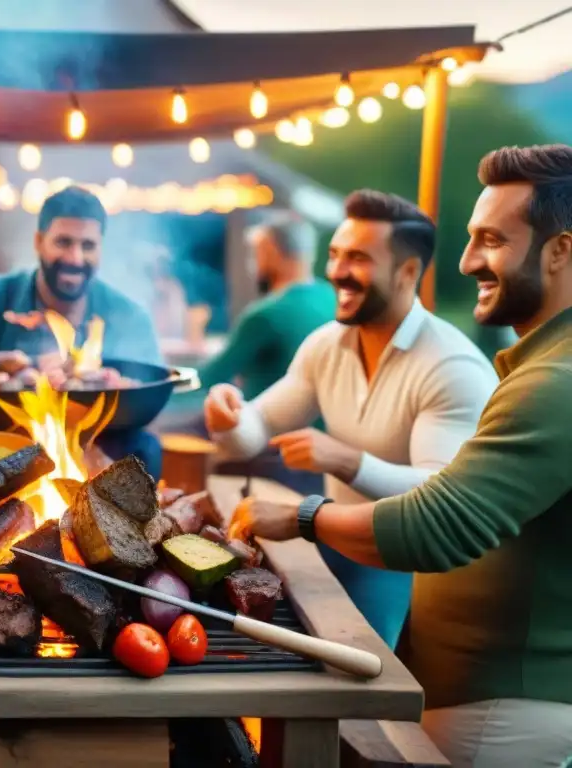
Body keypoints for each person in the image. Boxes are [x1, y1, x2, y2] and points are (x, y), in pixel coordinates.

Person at [228, 144, 572, 768]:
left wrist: (303, 515)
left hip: (502, 709)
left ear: (560, 251)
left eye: (492, 240)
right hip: (469, 690)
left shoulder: (556, 384)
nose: (467, 262)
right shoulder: (545, 370)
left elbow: (433, 526)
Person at [205, 190, 497, 648]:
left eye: (357, 258)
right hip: (338, 540)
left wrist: (347, 461)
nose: (337, 271)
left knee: (350, 671)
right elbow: (254, 431)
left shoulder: (451, 367)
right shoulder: (328, 344)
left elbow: (442, 496)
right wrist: (227, 415)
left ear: (407, 272)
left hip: (419, 571)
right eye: (336, 254)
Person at [0, 186, 165, 476]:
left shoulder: (127, 315)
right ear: (39, 241)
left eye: (88, 245)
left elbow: (149, 401)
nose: (75, 258)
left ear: (100, 248)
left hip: (90, 446)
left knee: (146, 448)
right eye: (63, 242)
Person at [164, 214, 336, 495]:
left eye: (256, 253)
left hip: (271, 448)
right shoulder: (332, 298)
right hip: (323, 449)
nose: (253, 263)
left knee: (168, 430)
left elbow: (210, 376)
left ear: (270, 252)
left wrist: (155, 386)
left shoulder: (268, 313)